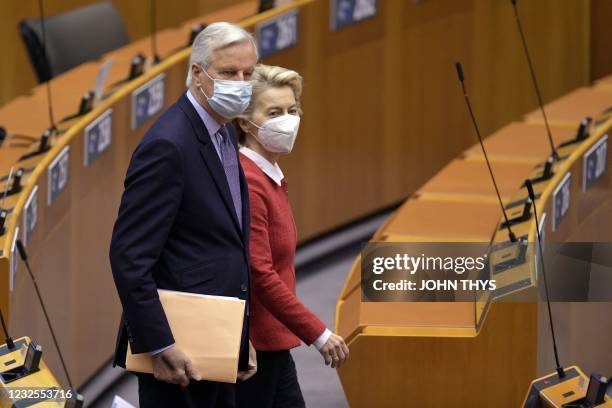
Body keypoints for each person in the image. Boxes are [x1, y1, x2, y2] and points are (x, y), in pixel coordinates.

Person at [109, 22, 258, 408]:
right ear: (197, 73)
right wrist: (160, 344)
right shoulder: (167, 145)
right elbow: (129, 257)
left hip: (216, 339)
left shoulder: (223, 131)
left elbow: (222, 240)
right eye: (228, 73)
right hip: (178, 351)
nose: (241, 83)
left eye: (248, 73)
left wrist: (239, 337)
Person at [234, 64, 349, 407]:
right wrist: (317, 333)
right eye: (274, 112)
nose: (288, 120)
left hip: (274, 342)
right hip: (254, 350)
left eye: (292, 110)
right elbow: (260, 273)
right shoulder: (250, 181)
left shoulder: (269, 175)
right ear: (244, 122)